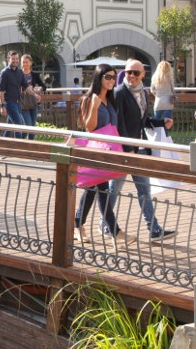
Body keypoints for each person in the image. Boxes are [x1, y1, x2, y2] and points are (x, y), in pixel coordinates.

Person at [111, 59, 176, 243]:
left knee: (143, 190)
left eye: (136, 73)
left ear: (143, 74)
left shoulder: (144, 93)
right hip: (124, 150)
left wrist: (161, 122)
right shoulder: (119, 93)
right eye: (128, 72)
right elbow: (119, 123)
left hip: (138, 148)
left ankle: (153, 229)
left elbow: (143, 121)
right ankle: (105, 223)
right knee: (114, 189)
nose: (131, 76)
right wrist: (127, 148)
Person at [72, 64, 134, 245]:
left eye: (114, 77)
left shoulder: (110, 100)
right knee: (103, 191)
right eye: (108, 77)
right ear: (99, 78)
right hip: (95, 152)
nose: (111, 80)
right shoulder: (89, 99)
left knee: (92, 190)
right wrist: (94, 106)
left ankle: (77, 225)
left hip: (107, 152)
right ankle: (115, 232)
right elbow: (89, 127)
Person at [0, 51, 29, 139]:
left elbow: (26, 86)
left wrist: (35, 94)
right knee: (20, 127)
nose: (15, 61)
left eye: (17, 59)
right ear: (8, 59)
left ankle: (4, 144)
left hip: (18, 103)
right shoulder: (4, 72)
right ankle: (18, 146)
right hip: (9, 103)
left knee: (9, 128)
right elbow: (1, 91)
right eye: (13, 59)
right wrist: (2, 106)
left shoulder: (20, 71)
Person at [19, 54, 47, 140]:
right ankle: (20, 140)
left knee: (33, 125)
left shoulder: (34, 75)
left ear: (31, 63)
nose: (25, 64)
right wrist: (24, 89)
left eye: (26, 62)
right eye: (23, 62)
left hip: (33, 102)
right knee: (28, 125)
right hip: (22, 103)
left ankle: (31, 143)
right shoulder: (18, 74)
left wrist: (37, 88)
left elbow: (44, 86)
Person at [150, 60, 175, 135]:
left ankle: (155, 136)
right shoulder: (170, 78)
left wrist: (157, 95)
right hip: (168, 101)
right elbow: (172, 90)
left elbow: (152, 90)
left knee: (156, 121)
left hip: (158, 100)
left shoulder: (155, 78)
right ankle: (165, 138)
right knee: (167, 123)